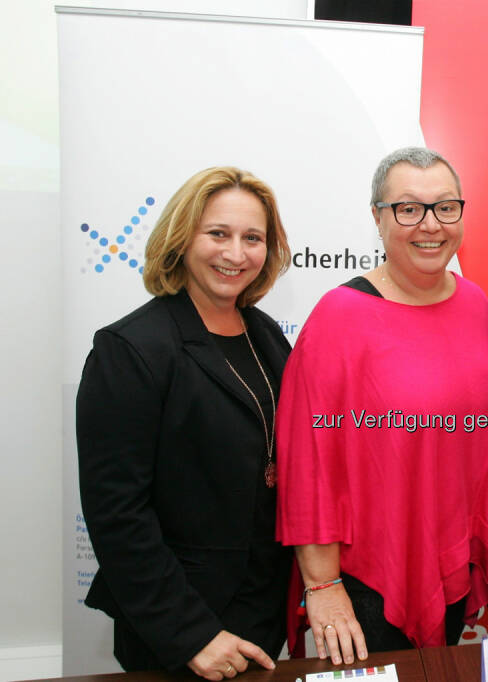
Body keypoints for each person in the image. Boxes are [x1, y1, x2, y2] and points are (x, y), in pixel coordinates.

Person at [275, 147, 488, 664]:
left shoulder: (474, 303)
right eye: (408, 208)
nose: (430, 224)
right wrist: (322, 585)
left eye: (445, 207)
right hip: (367, 580)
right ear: (377, 218)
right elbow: (306, 465)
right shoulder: (339, 318)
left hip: (449, 564)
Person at [77, 167, 293, 679]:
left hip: (261, 611)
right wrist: (190, 634)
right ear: (181, 238)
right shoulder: (131, 348)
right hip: (178, 627)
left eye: (253, 238)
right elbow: (117, 513)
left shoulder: (266, 338)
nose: (235, 253)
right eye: (217, 233)